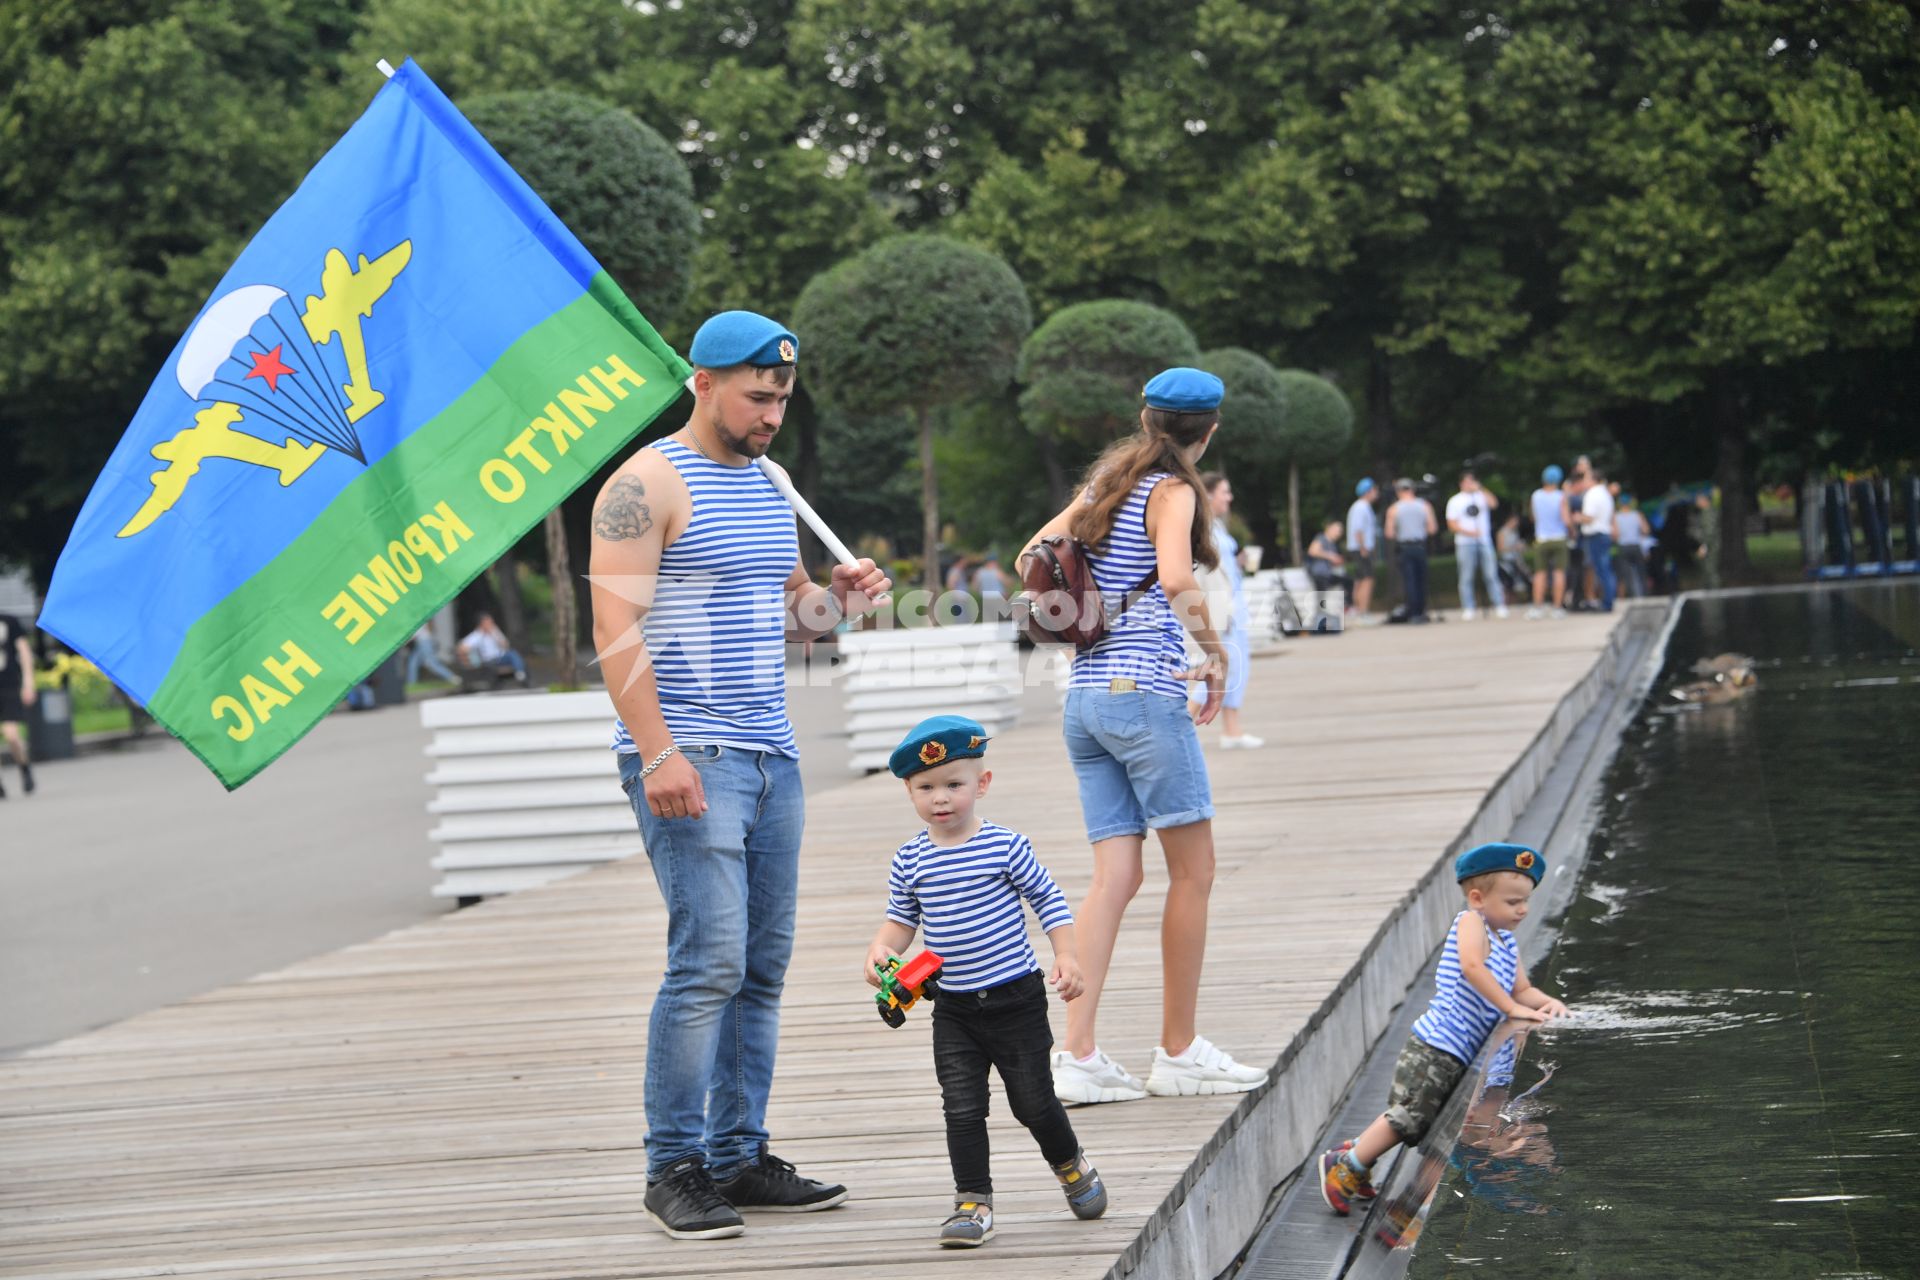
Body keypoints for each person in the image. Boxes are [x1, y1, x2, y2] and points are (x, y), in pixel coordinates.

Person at [587, 310, 891, 1240]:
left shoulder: (771, 481)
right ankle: (672, 1165)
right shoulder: (643, 484)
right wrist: (658, 752)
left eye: (782, 399)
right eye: (758, 398)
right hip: (690, 753)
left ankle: (738, 1155)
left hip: (772, 753)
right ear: (702, 384)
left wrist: (834, 604)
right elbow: (615, 631)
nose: (771, 415)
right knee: (707, 961)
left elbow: (792, 612)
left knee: (760, 968)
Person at [1021, 366, 1267, 1106]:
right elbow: (1173, 579)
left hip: (1087, 700)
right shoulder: (1173, 491)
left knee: (1114, 877)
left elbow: (1029, 555)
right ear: (1210, 430)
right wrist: (1214, 655)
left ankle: (1079, 1054)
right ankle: (1180, 1050)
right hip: (1142, 703)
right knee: (1193, 873)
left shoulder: (1103, 488)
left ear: (1145, 417)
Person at [864, 716, 1108, 1248]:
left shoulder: (1005, 846)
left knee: (1033, 1103)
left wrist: (1066, 955)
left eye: (954, 784)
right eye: (926, 788)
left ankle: (1069, 1162)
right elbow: (901, 920)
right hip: (953, 1009)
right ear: (909, 790)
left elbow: (1048, 899)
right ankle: (972, 1201)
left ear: (982, 784)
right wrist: (883, 949)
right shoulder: (910, 859)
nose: (941, 798)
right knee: (961, 1105)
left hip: (1016, 1001)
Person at [1316, 842, 1569, 1214]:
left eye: (1526, 900)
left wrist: (1545, 1003)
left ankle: (1356, 1156)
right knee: (1411, 1116)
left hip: (1464, 1055)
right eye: (1513, 902)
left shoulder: (1508, 941)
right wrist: (1512, 1007)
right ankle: (1347, 1167)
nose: (1523, 909)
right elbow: (1471, 967)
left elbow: (1523, 989)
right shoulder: (1471, 923)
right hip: (1436, 1047)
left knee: (1428, 1125)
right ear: (1479, 898)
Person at [1194, 473, 1260, 749]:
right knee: (1216, 670)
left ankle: (1232, 731)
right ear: (1208, 495)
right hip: (1221, 611)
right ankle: (1183, 726)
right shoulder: (1200, 529)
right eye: (1225, 492)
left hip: (1234, 608)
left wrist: (1238, 561)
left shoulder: (1216, 528)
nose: (1229, 498)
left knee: (1236, 671)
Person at [1445, 470, 1506, 620]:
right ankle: (1468, 607)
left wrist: (1480, 489)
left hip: (1484, 541)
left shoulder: (1480, 497)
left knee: (1491, 574)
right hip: (1465, 542)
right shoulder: (1455, 501)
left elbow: (1493, 503)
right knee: (1466, 576)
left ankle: (1499, 604)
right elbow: (1452, 524)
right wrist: (1469, 532)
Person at [1386, 478, 1437, 622]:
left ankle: (1413, 613)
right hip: (1420, 546)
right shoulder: (1424, 505)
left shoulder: (1394, 508)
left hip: (1405, 547)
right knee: (1422, 580)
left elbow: (1389, 533)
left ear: (1399, 491)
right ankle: (1422, 610)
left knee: (1410, 581)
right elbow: (1432, 529)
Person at [0, 613, 37, 797]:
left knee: (11, 735)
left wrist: (28, 682)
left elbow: (24, 651)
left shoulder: (9, 621)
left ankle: (24, 768)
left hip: (8, 685)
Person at [1527, 466, 1570, 618]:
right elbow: (1566, 519)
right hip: (1558, 537)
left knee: (1540, 574)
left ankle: (1537, 607)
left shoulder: (1536, 495)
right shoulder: (1561, 496)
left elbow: (1534, 517)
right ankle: (1557, 607)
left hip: (1541, 538)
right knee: (1559, 573)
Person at [1576, 469, 1618, 612]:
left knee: (1602, 570)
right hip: (1604, 534)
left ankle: (1607, 603)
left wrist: (1578, 517)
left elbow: (1589, 517)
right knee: (1605, 569)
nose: (1584, 482)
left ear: (1593, 480)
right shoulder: (1606, 494)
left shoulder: (1592, 494)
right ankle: (1609, 600)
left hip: (1596, 536)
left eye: (1586, 479)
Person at [456, 612, 527, 685]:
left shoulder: (495, 632)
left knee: (512, 653)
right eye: (487, 622)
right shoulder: (477, 635)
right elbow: (462, 646)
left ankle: (520, 673)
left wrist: (495, 635)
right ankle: (520, 673)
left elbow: (506, 646)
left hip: (499, 658)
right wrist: (470, 652)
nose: (490, 624)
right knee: (511, 656)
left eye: (491, 622)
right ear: (482, 624)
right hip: (488, 661)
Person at [1345, 479, 1381, 616]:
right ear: (1368, 491)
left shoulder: (1362, 506)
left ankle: (1358, 610)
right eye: (1374, 489)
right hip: (1362, 548)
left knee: (1360, 579)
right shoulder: (1361, 507)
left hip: (1360, 547)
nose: (1376, 493)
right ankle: (1363, 611)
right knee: (1368, 579)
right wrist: (1363, 548)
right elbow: (1358, 530)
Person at [1612, 496, 1651, 599]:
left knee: (1626, 573)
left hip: (1623, 546)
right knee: (1641, 572)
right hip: (1636, 545)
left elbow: (1615, 534)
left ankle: (1632, 595)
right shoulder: (1637, 515)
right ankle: (1644, 594)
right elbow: (1646, 530)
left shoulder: (1616, 516)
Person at [1307, 519, 1354, 600]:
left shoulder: (1333, 544)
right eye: (1336, 530)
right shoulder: (1321, 538)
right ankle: (1320, 611)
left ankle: (1347, 606)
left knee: (1348, 580)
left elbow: (1332, 561)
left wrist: (1337, 560)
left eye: (1340, 531)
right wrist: (1331, 556)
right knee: (1322, 584)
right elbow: (1312, 551)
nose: (1339, 533)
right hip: (1318, 573)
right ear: (1328, 528)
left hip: (1328, 573)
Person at [1694, 491, 1723, 590]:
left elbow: (1710, 532)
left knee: (1711, 569)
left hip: (1711, 545)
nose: (1696, 503)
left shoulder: (1708, 513)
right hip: (1711, 544)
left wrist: (1704, 546)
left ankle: (1715, 592)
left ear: (1704, 501)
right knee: (1708, 569)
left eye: (1698, 500)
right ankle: (1710, 590)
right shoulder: (1707, 512)